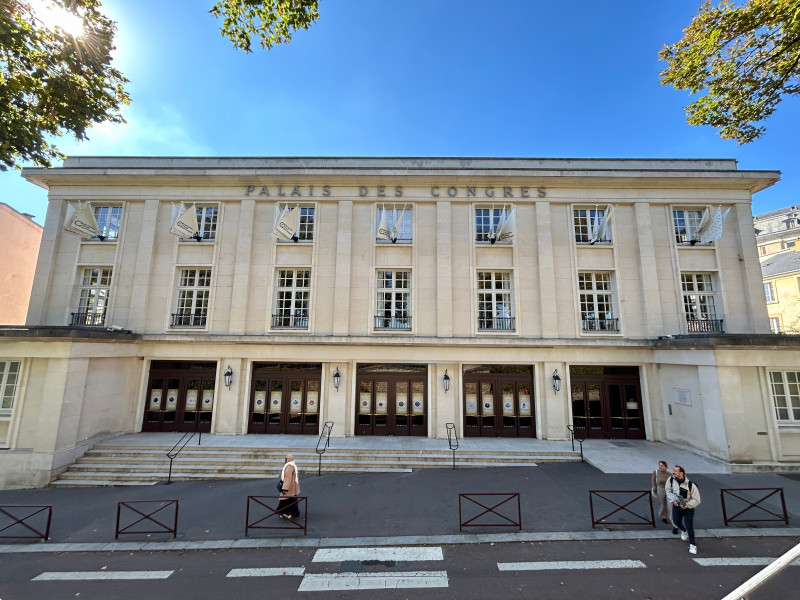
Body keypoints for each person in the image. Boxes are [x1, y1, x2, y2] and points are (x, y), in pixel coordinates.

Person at [665, 465, 701, 554]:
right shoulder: (671, 480)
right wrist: (673, 500)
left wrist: (687, 505)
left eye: (675, 471)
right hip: (676, 506)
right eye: (673, 470)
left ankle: (693, 545)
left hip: (688, 508)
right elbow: (668, 490)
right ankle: (684, 531)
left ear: (681, 473)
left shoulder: (690, 485)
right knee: (676, 522)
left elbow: (697, 499)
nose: (673, 472)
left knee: (689, 526)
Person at [277, 454, 301, 519]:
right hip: (293, 486)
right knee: (292, 500)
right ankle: (293, 512)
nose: (285, 460)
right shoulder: (293, 465)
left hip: (289, 487)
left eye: (285, 459)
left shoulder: (288, 467)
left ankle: (287, 513)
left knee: (286, 499)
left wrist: (285, 489)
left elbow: (287, 479)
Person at [651, 460, 671, 525]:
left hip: (668, 489)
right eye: (659, 465)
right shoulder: (656, 472)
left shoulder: (669, 474)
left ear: (665, 467)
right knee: (663, 503)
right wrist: (654, 488)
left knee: (669, 503)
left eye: (662, 465)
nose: (660, 467)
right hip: (660, 489)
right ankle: (663, 516)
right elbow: (653, 481)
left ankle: (671, 516)